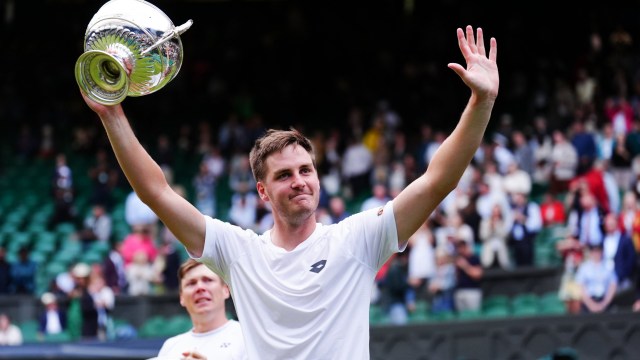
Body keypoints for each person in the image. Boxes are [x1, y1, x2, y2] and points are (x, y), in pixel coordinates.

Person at [80, 25, 498, 359]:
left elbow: (437, 180)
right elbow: (156, 192)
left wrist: (481, 102)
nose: (300, 180)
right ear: (262, 191)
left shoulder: (356, 240)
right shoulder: (238, 252)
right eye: (284, 175)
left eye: (306, 170)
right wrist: (113, 115)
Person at [156, 259, 246, 360]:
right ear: (182, 298)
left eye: (208, 280)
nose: (200, 287)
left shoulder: (246, 337)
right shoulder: (170, 347)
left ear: (225, 290)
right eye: (191, 283)